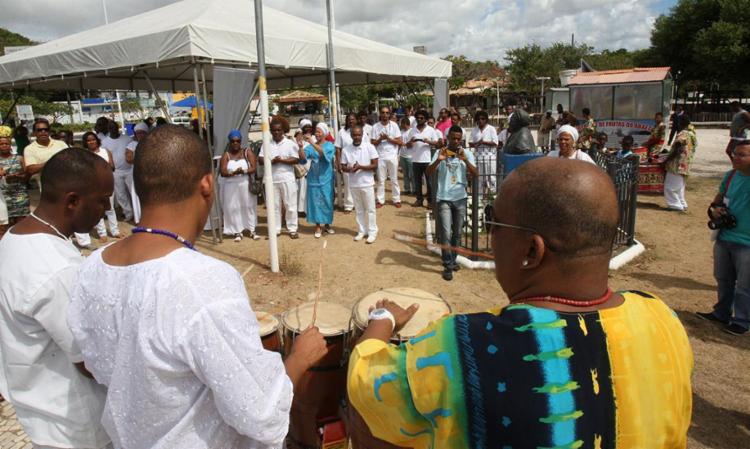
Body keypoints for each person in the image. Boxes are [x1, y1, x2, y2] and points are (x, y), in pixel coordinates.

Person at [348, 157, 693, 449]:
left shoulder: (463, 345)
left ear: (531, 250)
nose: (489, 233)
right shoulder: (662, 318)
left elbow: (366, 384)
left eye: (492, 222)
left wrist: (382, 320)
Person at [67, 125, 328, 449]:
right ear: (207, 184)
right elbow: (260, 412)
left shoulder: (92, 265)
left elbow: (90, 364)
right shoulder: (203, 279)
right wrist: (300, 358)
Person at [0, 148, 112, 449]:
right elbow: (89, 361)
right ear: (73, 201)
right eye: (103, 199)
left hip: (43, 417)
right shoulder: (57, 268)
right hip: (79, 427)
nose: (107, 208)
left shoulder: (13, 238)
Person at [697, 141, 750, 336]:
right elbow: (717, 200)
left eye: (742, 155)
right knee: (723, 279)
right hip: (725, 236)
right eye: (735, 154)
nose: (735, 157)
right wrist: (715, 209)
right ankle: (721, 313)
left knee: (745, 286)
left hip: (747, 243)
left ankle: (742, 321)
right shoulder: (730, 176)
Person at [426, 125, 477, 281]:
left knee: (458, 234)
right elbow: (428, 172)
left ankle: (452, 259)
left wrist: (466, 160)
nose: (456, 141)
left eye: (458, 139)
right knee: (446, 233)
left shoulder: (466, 153)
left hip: (460, 198)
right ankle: (448, 265)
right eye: (453, 138)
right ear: (447, 138)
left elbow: (476, 174)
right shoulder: (440, 152)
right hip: (444, 198)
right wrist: (438, 160)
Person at [74, 132, 121, 247]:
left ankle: (115, 231)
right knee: (98, 209)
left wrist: (101, 167)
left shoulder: (105, 151)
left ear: (97, 140)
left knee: (110, 208)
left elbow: (112, 167)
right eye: (88, 140)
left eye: (93, 140)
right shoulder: (84, 155)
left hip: (106, 183)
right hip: (92, 185)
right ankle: (102, 233)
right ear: (85, 143)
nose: (91, 142)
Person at [261, 118, 301, 238]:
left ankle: (292, 229)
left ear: (283, 130)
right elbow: (260, 159)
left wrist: (281, 160)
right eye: (274, 130)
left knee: (290, 204)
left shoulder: (290, 144)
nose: (276, 132)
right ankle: (276, 229)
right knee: (274, 206)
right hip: (272, 179)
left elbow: (295, 159)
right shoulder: (266, 144)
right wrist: (271, 161)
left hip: (287, 178)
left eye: (278, 130)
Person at [220, 129, 260, 242]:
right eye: (233, 141)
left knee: (248, 206)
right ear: (230, 142)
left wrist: (243, 171)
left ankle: (252, 230)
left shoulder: (247, 152)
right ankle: (238, 231)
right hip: (231, 186)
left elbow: (253, 167)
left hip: (245, 183)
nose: (235, 143)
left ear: (241, 141)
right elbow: (222, 172)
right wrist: (233, 173)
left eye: (237, 141)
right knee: (234, 207)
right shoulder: (226, 155)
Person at [341, 125, 379, 243]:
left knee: (370, 209)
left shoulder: (370, 147)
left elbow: (375, 165)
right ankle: (362, 230)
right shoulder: (346, 150)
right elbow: (342, 166)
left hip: (367, 183)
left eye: (359, 134)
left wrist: (360, 167)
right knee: (359, 209)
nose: (356, 137)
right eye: (354, 135)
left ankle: (372, 231)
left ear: (363, 135)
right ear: (351, 135)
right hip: (354, 183)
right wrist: (350, 169)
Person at [300, 122, 336, 238]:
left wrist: (311, 142)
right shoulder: (310, 147)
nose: (317, 134)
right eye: (316, 132)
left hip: (326, 179)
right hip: (313, 180)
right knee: (315, 203)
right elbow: (302, 159)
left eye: (319, 132)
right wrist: (300, 147)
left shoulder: (330, 145)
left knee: (327, 201)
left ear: (325, 133)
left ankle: (327, 224)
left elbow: (323, 154)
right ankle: (317, 226)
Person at [371, 106, 403, 208]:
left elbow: (400, 142)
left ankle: (396, 199)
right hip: (380, 156)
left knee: (394, 179)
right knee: (381, 180)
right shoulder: (375, 127)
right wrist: (380, 138)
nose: (385, 115)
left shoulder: (394, 125)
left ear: (389, 114)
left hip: (392, 156)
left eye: (387, 113)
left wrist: (388, 138)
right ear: (380, 114)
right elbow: (372, 143)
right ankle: (380, 200)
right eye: (383, 113)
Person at [102, 120, 135, 221]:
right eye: (111, 128)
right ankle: (128, 213)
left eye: (115, 127)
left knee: (133, 192)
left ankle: (138, 213)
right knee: (120, 194)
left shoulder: (127, 139)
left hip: (130, 170)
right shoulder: (104, 142)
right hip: (116, 172)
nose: (113, 129)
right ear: (108, 129)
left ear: (118, 128)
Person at [663, 115, 697, 212]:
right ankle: (682, 203)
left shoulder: (683, 133)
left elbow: (678, 146)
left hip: (677, 163)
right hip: (685, 164)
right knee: (679, 186)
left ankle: (675, 205)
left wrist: (667, 160)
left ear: (680, 123)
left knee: (670, 187)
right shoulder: (692, 133)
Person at [407, 109, 439, 209]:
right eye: (418, 118)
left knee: (429, 182)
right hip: (415, 160)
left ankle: (430, 201)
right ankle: (419, 200)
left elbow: (437, 143)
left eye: (422, 118)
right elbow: (408, 146)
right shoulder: (412, 130)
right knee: (417, 182)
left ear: (425, 119)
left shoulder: (430, 130)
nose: (419, 119)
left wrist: (429, 142)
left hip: (427, 160)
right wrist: (411, 142)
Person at [0, 126, 29, 235]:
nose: (4, 146)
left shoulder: (19, 158)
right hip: (3, 196)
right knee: (6, 223)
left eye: (6, 144)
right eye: (1, 144)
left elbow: (27, 176)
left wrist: (17, 176)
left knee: (21, 222)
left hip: (20, 194)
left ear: (10, 145)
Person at [23, 118, 68, 185]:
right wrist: (52, 161)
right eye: (39, 130)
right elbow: (31, 169)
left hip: (68, 185)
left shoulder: (61, 144)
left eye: (46, 129)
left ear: (49, 131)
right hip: (48, 189)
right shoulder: (29, 149)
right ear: (34, 132)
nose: (43, 132)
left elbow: (71, 160)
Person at [470, 110, 499, 197]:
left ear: (486, 119)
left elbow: (495, 143)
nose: (480, 120)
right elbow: (470, 143)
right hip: (478, 158)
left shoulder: (491, 129)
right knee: (479, 179)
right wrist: (477, 143)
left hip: (490, 157)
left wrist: (483, 142)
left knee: (491, 178)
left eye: (483, 119)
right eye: (478, 119)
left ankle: (492, 197)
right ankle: (479, 199)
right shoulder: (474, 130)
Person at [125, 123, 149, 224]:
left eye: (142, 133)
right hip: (136, 173)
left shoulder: (152, 143)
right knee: (137, 196)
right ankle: (139, 218)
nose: (140, 135)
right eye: (138, 133)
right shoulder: (131, 145)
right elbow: (129, 159)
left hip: (150, 173)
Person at [335, 112, 357, 213]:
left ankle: (358, 204)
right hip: (346, 162)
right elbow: (338, 148)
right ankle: (348, 205)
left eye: (353, 119)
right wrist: (338, 162)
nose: (351, 121)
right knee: (348, 185)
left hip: (359, 162)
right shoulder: (342, 132)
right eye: (349, 119)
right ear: (346, 121)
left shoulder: (360, 131)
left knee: (358, 184)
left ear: (356, 120)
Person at [399, 116, 415, 196]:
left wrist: (403, 144)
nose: (401, 125)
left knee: (412, 174)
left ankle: (414, 190)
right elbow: (399, 142)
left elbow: (411, 144)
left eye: (402, 124)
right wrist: (404, 144)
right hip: (402, 155)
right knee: (405, 174)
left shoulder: (412, 131)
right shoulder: (401, 131)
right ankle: (407, 189)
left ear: (406, 124)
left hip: (410, 156)